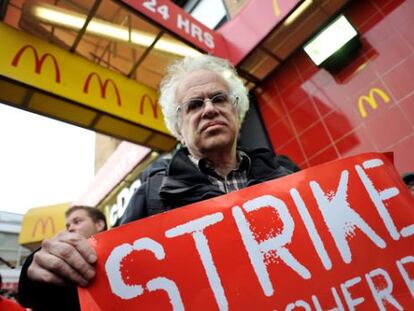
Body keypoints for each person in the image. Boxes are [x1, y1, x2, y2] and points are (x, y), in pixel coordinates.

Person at [18, 55, 297, 309]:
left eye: (219, 99)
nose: (209, 109)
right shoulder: (153, 192)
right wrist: (45, 275)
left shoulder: (286, 174)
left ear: (237, 111)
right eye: (194, 105)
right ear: (179, 129)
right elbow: (107, 282)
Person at [17, 205, 107, 310]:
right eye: (68, 226)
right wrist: (35, 271)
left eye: (77, 222)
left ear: (99, 224)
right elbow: (31, 299)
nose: (71, 228)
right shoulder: (63, 271)